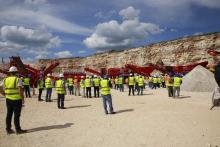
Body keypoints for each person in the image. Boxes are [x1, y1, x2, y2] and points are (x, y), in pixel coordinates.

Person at [0, 66, 27, 134]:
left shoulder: (5, 79)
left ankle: (8, 129)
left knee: (9, 114)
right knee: (16, 115)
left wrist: (3, 94)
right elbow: (20, 90)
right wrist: (23, 99)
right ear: (16, 72)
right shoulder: (18, 79)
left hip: (8, 99)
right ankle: (18, 130)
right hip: (17, 100)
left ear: (10, 73)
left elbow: (0, 87)